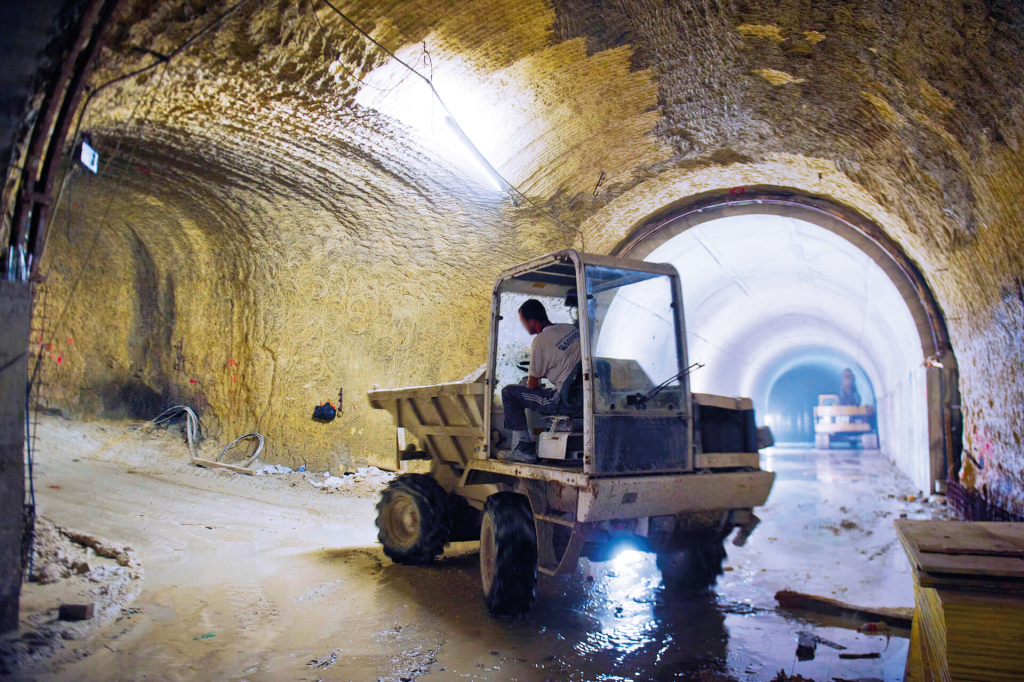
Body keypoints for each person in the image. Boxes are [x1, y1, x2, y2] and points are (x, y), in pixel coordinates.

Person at [500, 299, 581, 462]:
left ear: (532, 321)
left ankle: (524, 448)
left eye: (523, 322)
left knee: (509, 393)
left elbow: (531, 385)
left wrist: (536, 378)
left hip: (562, 400)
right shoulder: (569, 328)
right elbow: (567, 363)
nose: (523, 326)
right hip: (582, 395)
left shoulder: (540, 341)